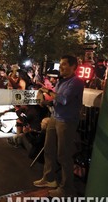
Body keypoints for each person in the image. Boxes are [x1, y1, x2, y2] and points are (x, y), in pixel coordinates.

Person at [34, 55, 84, 197]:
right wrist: (46, 102)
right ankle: (49, 179)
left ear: (73, 66)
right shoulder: (61, 82)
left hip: (66, 121)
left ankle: (67, 189)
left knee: (64, 155)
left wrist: (47, 91)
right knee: (49, 149)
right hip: (55, 117)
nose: (60, 67)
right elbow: (56, 100)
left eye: (64, 64)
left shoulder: (76, 82)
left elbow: (64, 99)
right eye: (60, 64)